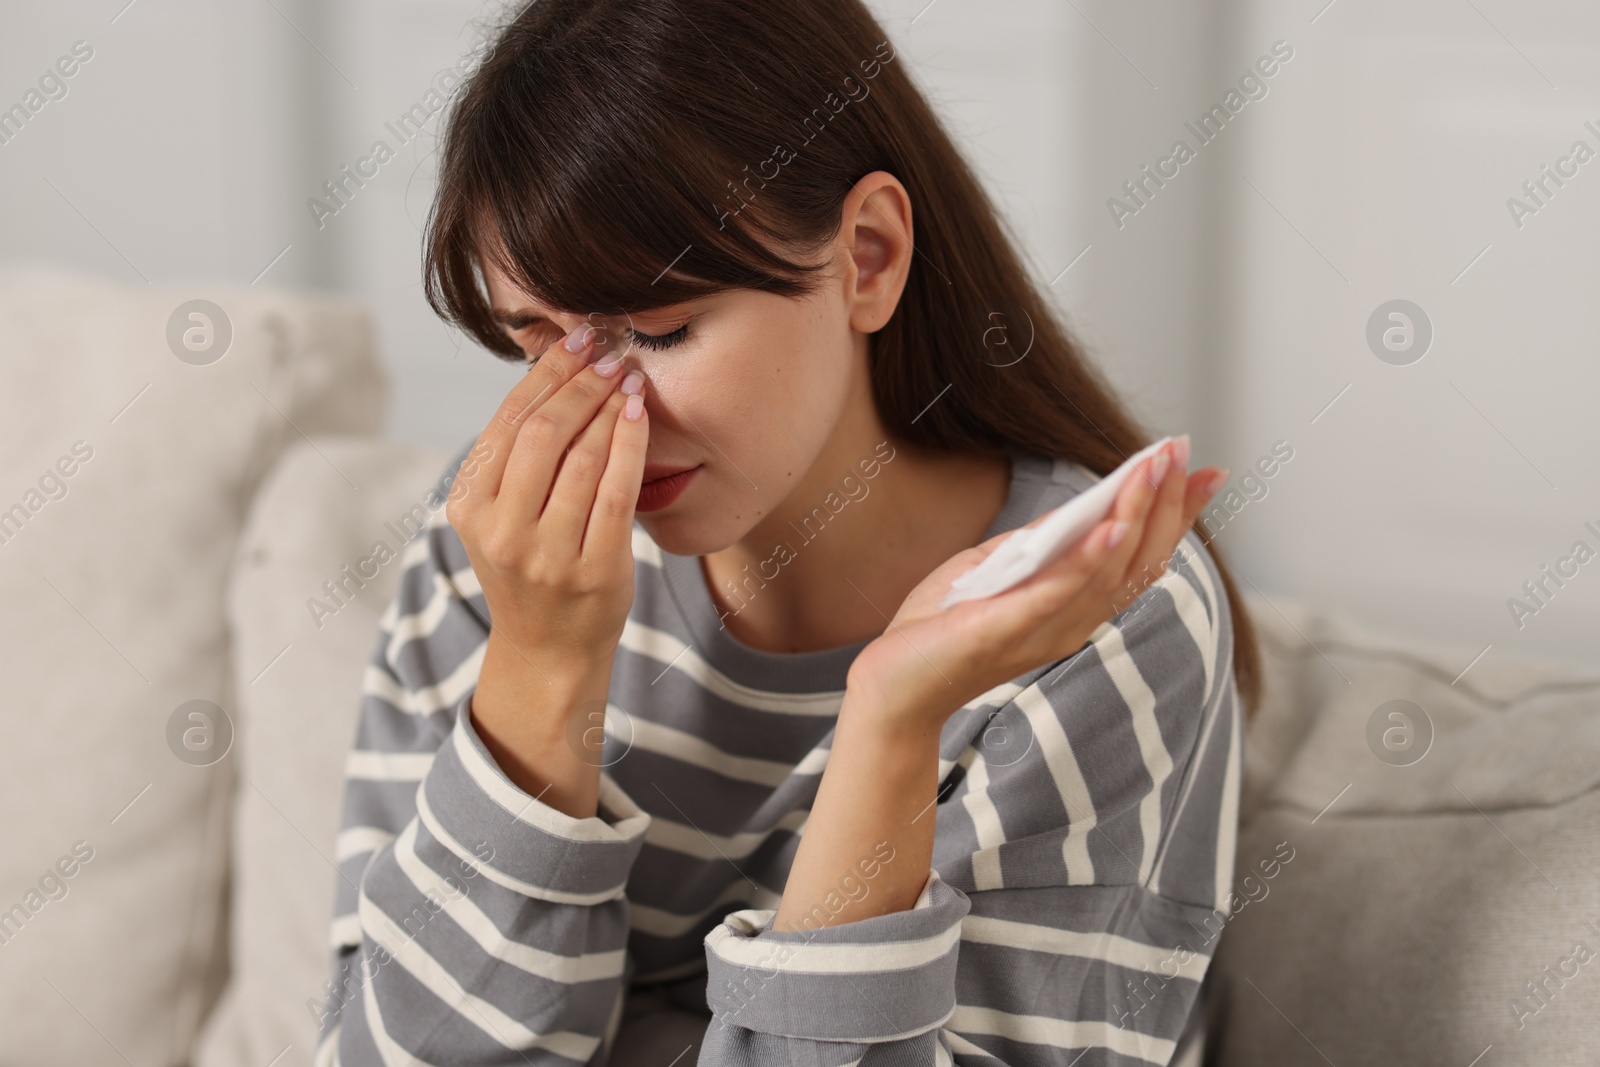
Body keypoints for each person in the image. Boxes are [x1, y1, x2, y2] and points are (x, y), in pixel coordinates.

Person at [313, 0, 1262, 1063]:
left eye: (660, 328)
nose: (592, 410)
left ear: (866, 256)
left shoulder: (1101, 619)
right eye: (534, 337)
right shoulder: (502, 552)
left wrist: (891, 727)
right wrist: (540, 661)